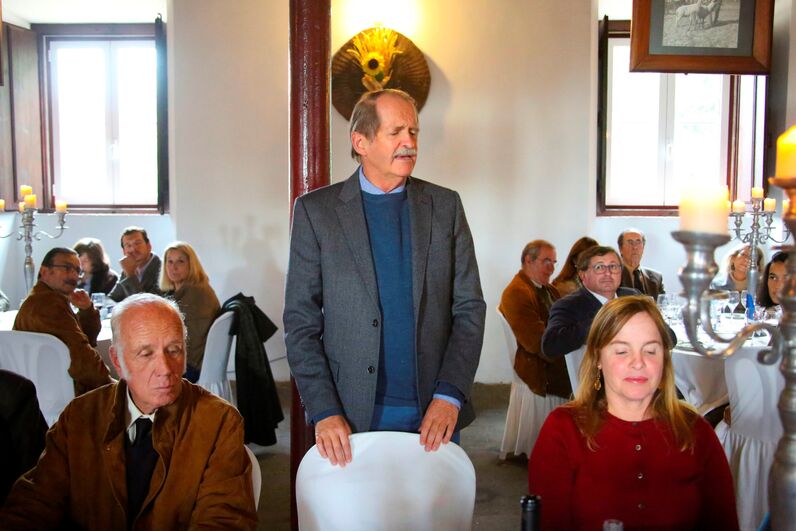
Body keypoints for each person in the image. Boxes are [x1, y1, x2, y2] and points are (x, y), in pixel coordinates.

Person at [284, 88, 486, 466]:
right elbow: (300, 323)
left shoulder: (445, 207)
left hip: (435, 410)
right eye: (396, 132)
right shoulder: (317, 213)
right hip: (351, 412)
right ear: (361, 141)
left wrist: (450, 395)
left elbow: (470, 309)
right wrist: (324, 408)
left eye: (414, 131)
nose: (409, 142)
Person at [0, 294, 257, 530]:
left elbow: (224, 521)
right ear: (117, 361)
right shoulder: (80, 417)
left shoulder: (218, 421)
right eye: (146, 354)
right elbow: (35, 502)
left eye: (174, 350)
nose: (166, 368)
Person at [529, 296, 739, 530]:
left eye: (650, 350)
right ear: (598, 357)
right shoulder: (563, 430)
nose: (638, 362)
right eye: (621, 351)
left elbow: (724, 521)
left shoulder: (695, 432)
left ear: (665, 361)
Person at [13, 247, 112, 396]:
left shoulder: (41, 298)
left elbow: (85, 339)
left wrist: (87, 310)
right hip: (61, 393)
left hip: (40, 391)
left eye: (77, 270)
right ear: (44, 271)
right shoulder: (48, 305)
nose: (73, 275)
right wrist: (110, 384)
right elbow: (82, 360)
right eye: (66, 268)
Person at [500, 240, 570, 401]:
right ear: (528, 260)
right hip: (539, 367)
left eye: (554, 262)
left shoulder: (547, 288)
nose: (552, 268)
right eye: (546, 261)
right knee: (593, 377)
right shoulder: (517, 293)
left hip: (549, 353)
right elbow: (537, 343)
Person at [542, 245, 640, 359]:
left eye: (613, 266)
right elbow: (550, 345)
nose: (608, 273)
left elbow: (662, 330)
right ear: (583, 275)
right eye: (599, 267)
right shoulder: (568, 305)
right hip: (597, 373)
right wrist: (602, 322)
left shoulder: (633, 296)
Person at [160, 242, 220, 383]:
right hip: (195, 360)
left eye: (180, 261)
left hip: (191, 365)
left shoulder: (196, 292)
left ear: (191, 265)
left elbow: (185, 338)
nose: (174, 267)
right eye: (170, 262)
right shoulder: (183, 290)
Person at [108, 227, 162, 302]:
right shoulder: (128, 268)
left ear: (148, 245)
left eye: (137, 243)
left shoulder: (163, 269)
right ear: (124, 251)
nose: (133, 249)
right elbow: (112, 299)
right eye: (128, 245)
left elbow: (145, 305)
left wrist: (131, 275)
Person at [617, 228, 665, 300]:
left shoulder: (656, 277)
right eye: (630, 242)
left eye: (638, 242)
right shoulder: (613, 275)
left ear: (643, 248)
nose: (635, 247)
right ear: (620, 248)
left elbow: (663, 306)